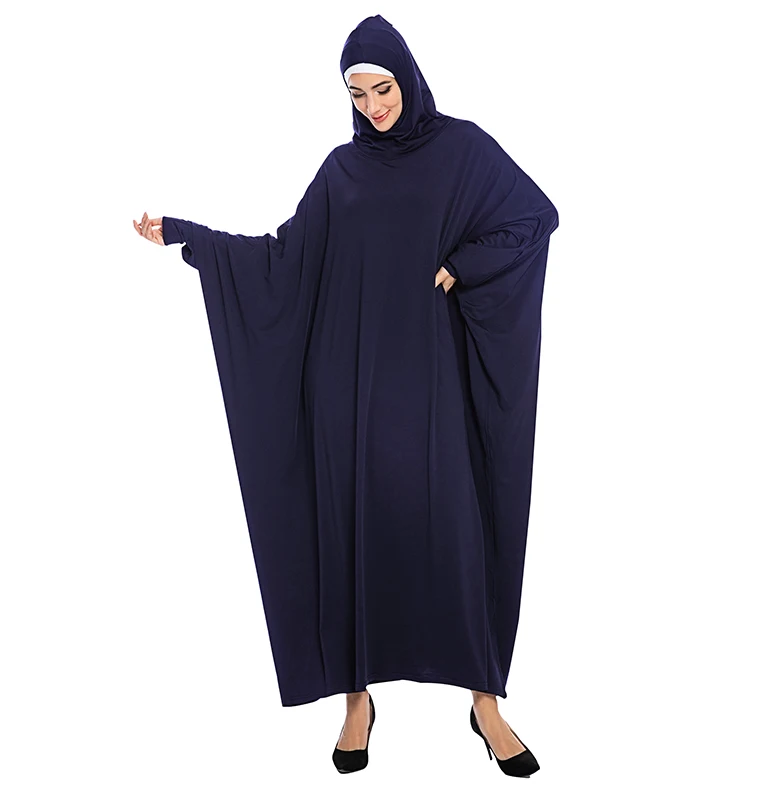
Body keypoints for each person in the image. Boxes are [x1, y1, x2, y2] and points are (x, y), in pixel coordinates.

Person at [133, 14, 558, 778]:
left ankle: (484, 702)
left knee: (457, 538)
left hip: (433, 387)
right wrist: (191, 236)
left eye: (382, 88)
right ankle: (356, 701)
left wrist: (464, 263)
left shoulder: (463, 151)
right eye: (357, 94)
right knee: (355, 537)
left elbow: (535, 217)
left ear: (408, 79)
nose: (373, 106)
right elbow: (285, 257)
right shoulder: (341, 171)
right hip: (348, 389)